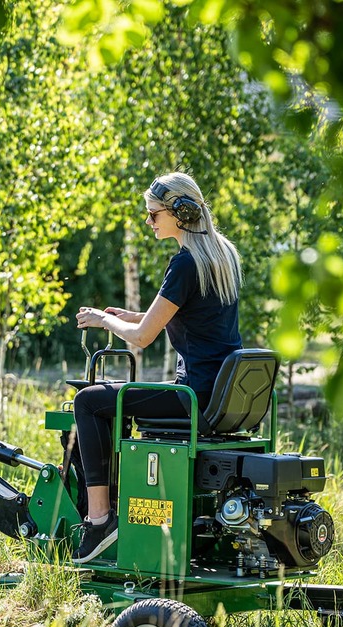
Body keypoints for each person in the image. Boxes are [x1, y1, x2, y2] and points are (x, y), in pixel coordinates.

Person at [70, 171, 243, 563]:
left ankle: (99, 521)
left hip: (193, 396)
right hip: (217, 393)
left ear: (180, 213)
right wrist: (128, 314)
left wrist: (103, 319)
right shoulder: (223, 255)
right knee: (106, 402)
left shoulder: (185, 263)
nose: (149, 222)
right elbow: (182, 315)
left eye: (153, 214)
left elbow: (143, 337)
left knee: (88, 401)